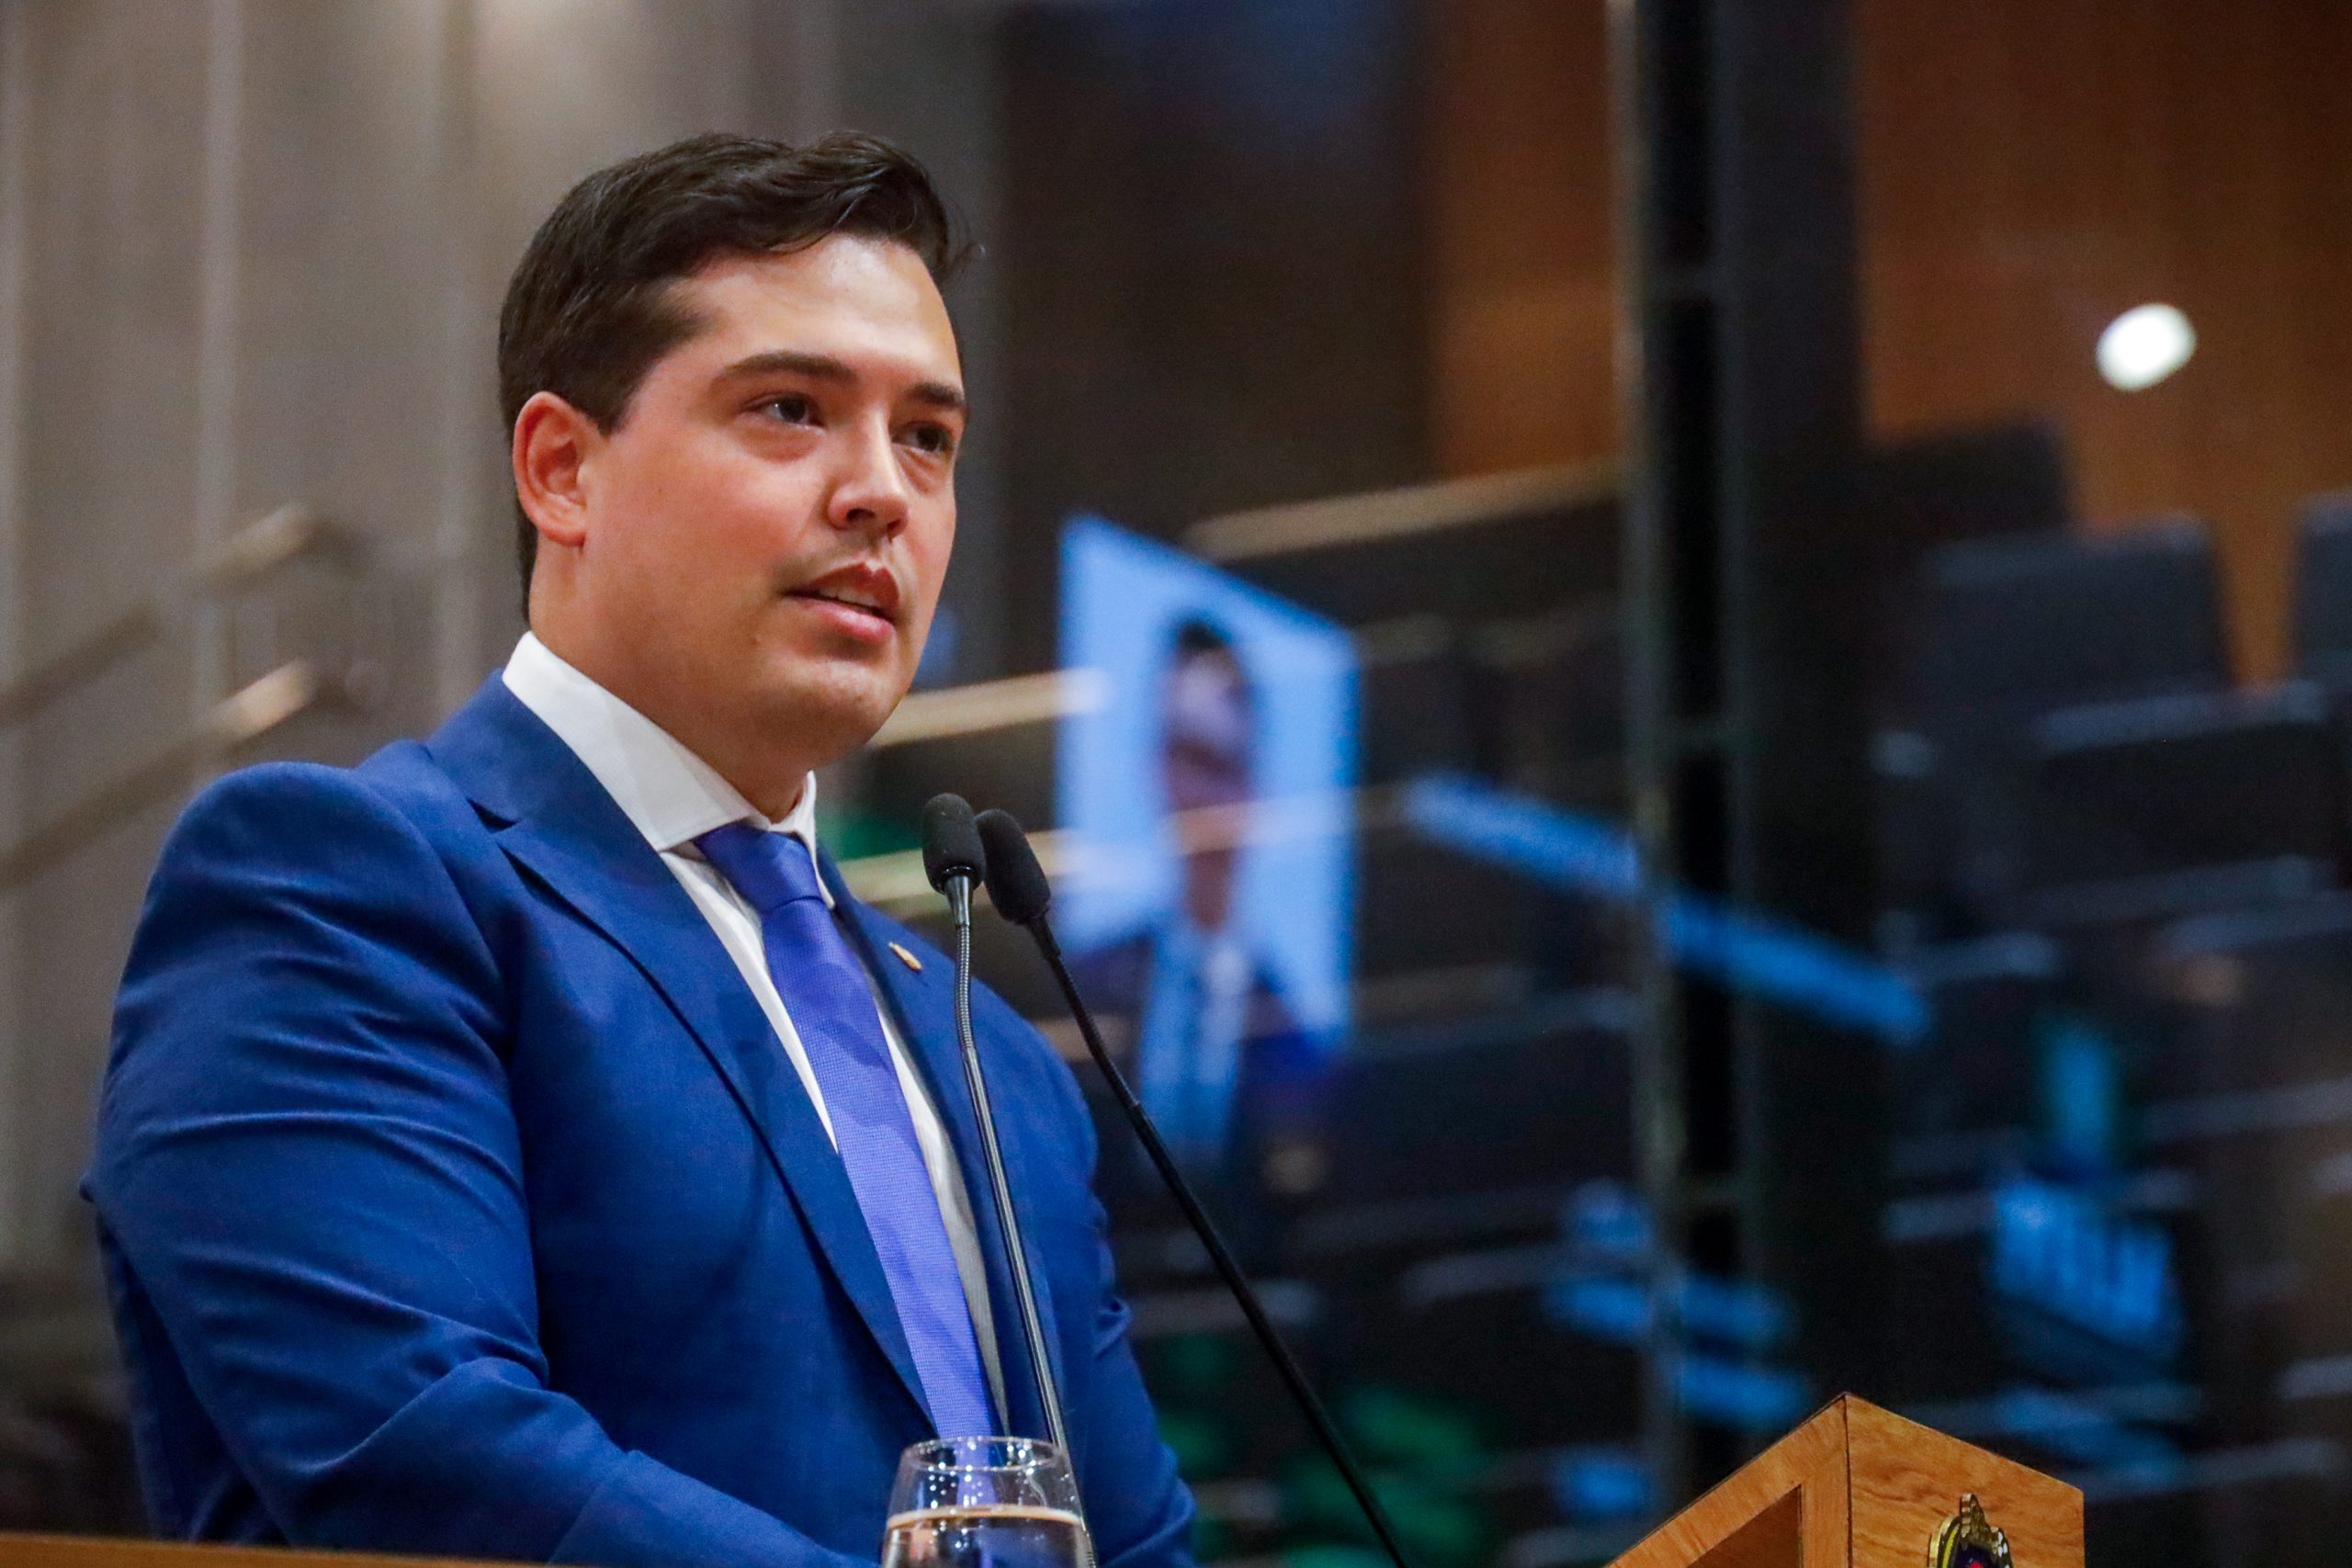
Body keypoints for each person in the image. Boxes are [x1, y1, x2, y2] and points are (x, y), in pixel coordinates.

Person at [84, 132, 1194, 1568]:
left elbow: (1133, 1537)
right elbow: (420, 1447)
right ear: (562, 469)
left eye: (928, 436)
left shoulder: (994, 1056)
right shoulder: (345, 881)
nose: (883, 491)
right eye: (792, 408)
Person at [1072, 619, 1329, 1236]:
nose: (1201, 796)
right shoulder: (1082, 988)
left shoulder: (1300, 1044)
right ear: (1157, 766)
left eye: (1222, 764)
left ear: (1255, 786)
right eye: (1185, 754)